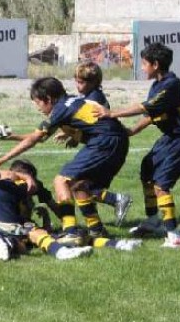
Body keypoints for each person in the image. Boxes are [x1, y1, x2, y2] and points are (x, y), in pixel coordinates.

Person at [0, 77, 129, 243]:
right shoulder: (70, 103)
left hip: (105, 142)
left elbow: (33, 140)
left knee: (61, 181)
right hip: (117, 141)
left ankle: (70, 231)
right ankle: (96, 230)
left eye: (38, 102)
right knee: (78, 185)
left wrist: (1, 161)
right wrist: (8, 137)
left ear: (49, 99)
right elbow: (38, 137)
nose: (37, 107)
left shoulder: (60, 109)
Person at [93, 42, 180, 248]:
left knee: (161, 184)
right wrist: (132, 131)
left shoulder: (171, 85)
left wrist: (111, 113)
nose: (142, 68)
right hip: (170, 137)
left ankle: (174, 236)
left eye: (144, 64)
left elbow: (145, 107)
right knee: (147, 170)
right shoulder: (158, 85)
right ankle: (153, 221)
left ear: (156, 64)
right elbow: (151, 114)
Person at [0, 159, 94, 261]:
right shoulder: (28, 184)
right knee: (26, 234)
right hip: (0, 203)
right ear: (31, 175)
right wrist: (68, 226)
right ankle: (59, 251)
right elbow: (56, 209)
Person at [53, 61, 133, 226]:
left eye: (81, 82)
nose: (77, 86)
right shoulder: (89, 96)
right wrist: (72, 134)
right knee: (80, 185)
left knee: (70, 181)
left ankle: (72, 227)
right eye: (76, 81)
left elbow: (94, 124)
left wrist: (75, 135)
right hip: (103, 144)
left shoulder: (94, 99)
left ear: (94, 82)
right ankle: (108, 211)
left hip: (104, 146)